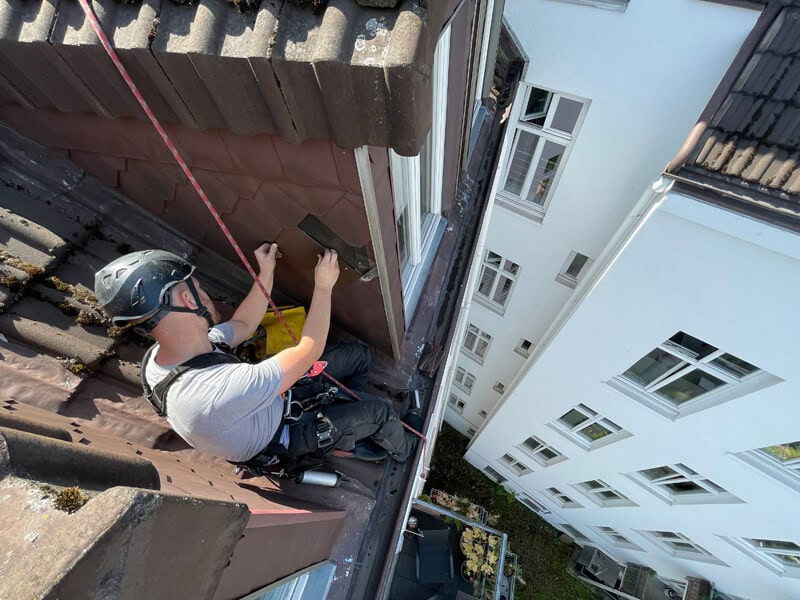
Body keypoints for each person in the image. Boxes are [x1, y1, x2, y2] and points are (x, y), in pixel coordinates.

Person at [93, 243, 419, 468]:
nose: (203, 291)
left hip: (267, 402)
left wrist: (266, 271)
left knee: (359, 357)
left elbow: (243, 324)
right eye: (197, 286)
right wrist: (323, 286)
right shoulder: (217, 391)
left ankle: (351, 424)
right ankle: (403, 451)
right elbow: (308, 350)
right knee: (379, 412)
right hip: (289, 435)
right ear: (186, 299)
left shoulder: (170, 354)